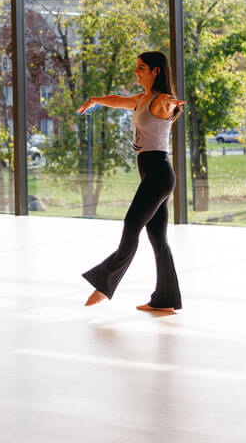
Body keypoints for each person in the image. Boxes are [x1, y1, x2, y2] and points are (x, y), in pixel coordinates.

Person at [77, 52, 185, 314]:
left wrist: (172, 103)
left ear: (156, 71)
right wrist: (95, 100)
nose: (136, 72)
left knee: (132, 224)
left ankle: (104, 284)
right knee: (157, 237)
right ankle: (165, 300)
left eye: (141, 68)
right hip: (151, 173)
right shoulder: (141, 99)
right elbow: (117, 100)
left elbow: (170, 104)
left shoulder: (160, 101)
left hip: (159, 173)